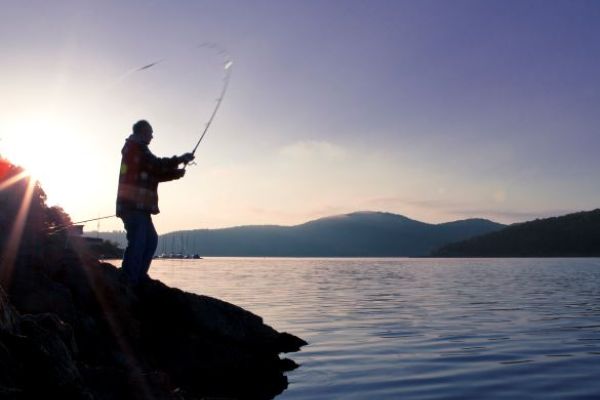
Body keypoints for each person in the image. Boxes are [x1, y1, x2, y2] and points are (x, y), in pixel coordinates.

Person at [116, 120, 194, 285]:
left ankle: (139, 275)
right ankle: (129, 278)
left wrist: (176, 174)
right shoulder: (134, 149)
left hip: (140, 207)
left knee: (151, 240)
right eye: (150, 132)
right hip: (133, 206)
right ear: (142, 132)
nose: (152, 135)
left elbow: (154, 173)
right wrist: (181, 159)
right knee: (138, 241)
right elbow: (156, 164)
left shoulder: (139, 151)